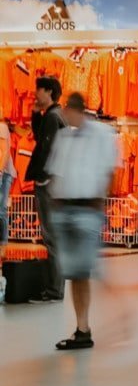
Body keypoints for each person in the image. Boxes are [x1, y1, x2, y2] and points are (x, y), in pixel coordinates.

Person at [46, 93, 118, 350]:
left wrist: (101, 200)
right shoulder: (65, 137)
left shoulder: (101, 134)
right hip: (66, 209)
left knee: (89, 270)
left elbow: (110, 170)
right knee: (76, 274)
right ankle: (82, 329)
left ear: (76, 109)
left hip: (88, 208)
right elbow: (57, 170)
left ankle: (122, 314)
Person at [26, 77, 66, 303]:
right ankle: (55, 288)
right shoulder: (55, 115)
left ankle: (53, 290)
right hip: (55, 184)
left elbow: (46, 149)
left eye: (38, 90)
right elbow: (42, 138)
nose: (35, 93)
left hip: (48, 184)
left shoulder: (53, 117)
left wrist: (42, 178)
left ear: (48, 91)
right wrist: (34, 113)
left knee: (51, 236)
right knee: (53, 235)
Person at [0, 116, 13, 264]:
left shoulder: (2, 127)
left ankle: (3, 243)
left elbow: (5, 152)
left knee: (1, 209)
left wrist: (0, 172)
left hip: (4, 173)